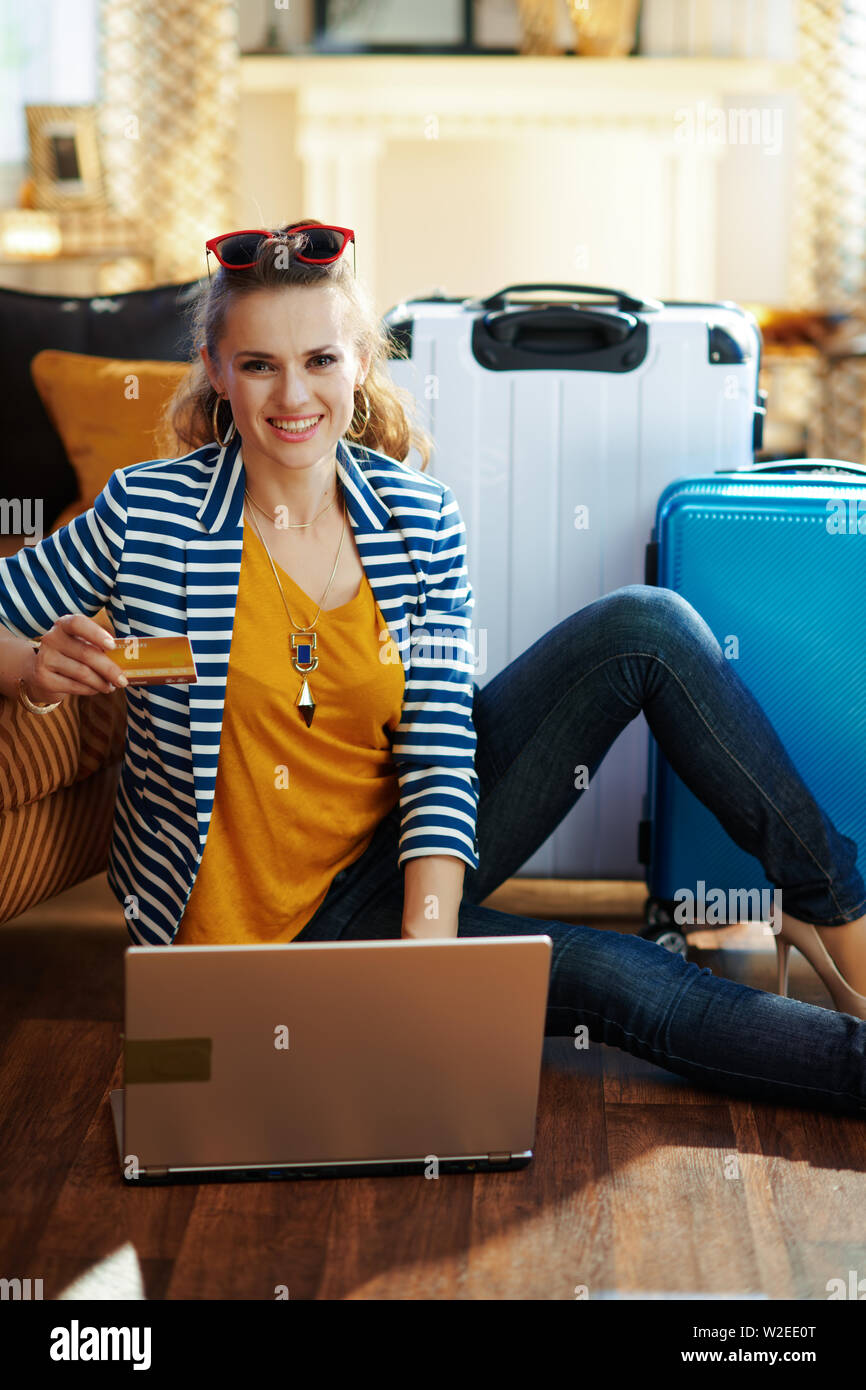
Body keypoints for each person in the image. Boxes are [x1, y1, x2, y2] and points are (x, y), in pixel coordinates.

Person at [1, 219, 865, 1118]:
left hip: (406, 867)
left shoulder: (421, 519)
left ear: (361, 363)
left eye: (321, 360)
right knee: (626, 977)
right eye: (259, 364)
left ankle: (837, 918)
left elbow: (441, 738)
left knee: (645, 625)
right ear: (217, 370)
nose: (293, 394)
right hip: (275, 952)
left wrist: (429, 947)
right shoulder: (151, 511)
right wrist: (32, 665)